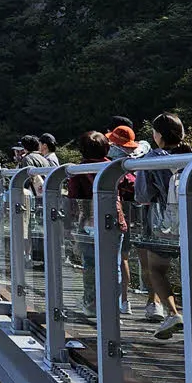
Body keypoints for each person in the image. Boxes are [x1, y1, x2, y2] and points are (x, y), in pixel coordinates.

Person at [136, 113, 192, 339]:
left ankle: (173, 313)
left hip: (162, 223)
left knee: (156, 269)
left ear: (157, 135)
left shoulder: (152, 159)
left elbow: (142, 195)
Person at [66, 131, 128, 318]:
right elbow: (128, 186)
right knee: (113, 265)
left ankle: (91, 303)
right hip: (114, 221)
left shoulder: (78, 170)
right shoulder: (114, 167)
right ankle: (112, 305)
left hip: (88, 223)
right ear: (106, 147)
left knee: (90, 264)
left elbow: (72, 198)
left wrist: (68, 225)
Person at [104, 125, 141, 313]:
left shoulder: (112, 164)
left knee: (114, 258)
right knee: (124, 257)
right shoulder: (134, 162)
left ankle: (114, 300)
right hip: (130, 214)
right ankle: (124, 300)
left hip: (114, 214)